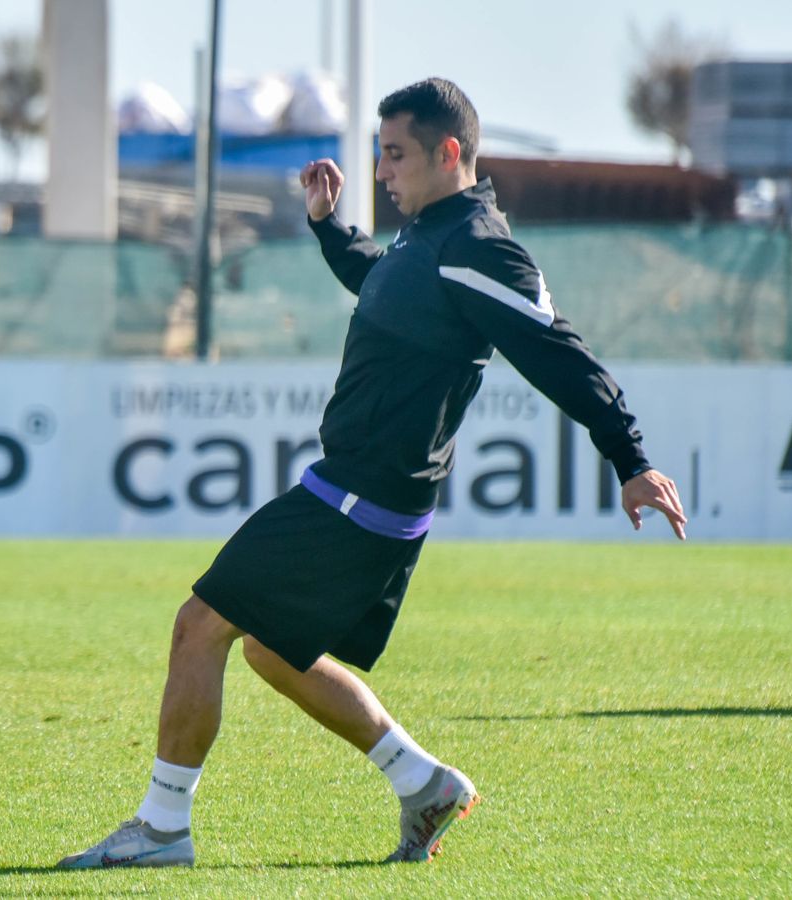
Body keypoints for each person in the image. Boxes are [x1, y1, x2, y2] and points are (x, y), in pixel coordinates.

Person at [57, 77, 688, 869]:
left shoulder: (479, 245)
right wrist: (328, 229)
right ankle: (422, 784)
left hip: (363, 497)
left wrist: (631, 459)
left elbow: (561, 354)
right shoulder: (429, 236)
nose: (382, 171)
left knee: (199, 624)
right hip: (356, 490)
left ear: (448, 153)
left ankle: (160, 829)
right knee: (268, 648)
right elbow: (382, 281)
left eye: (395, 155)